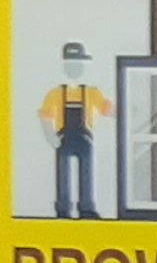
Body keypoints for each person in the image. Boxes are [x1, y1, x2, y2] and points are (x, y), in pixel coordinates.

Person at [39, 42, 107, 219]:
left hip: (85, 138)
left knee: (87, 171)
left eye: (78, 64)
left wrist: (128, 109)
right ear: (64, 66)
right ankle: (63, 208)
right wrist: (50, 136)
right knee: (63, 172)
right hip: (64, 137)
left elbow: (107, 109)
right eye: (71, 64)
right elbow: (45, 116)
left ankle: (87, 207)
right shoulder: (55, 93)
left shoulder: (92, 93)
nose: (74, 68)